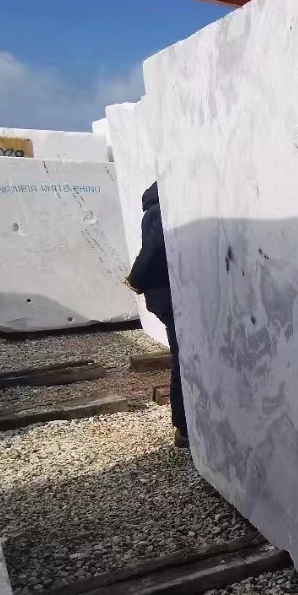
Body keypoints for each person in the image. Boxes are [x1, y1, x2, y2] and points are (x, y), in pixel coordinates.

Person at [127, 181, 188, 447]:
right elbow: (153, 250)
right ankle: (184, 427)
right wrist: (135, 279)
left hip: (167, 297)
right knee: (183, 360)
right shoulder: (159, 211)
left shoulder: (156, 210)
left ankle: (186, 427)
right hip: (170, 296)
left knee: (183, 358)